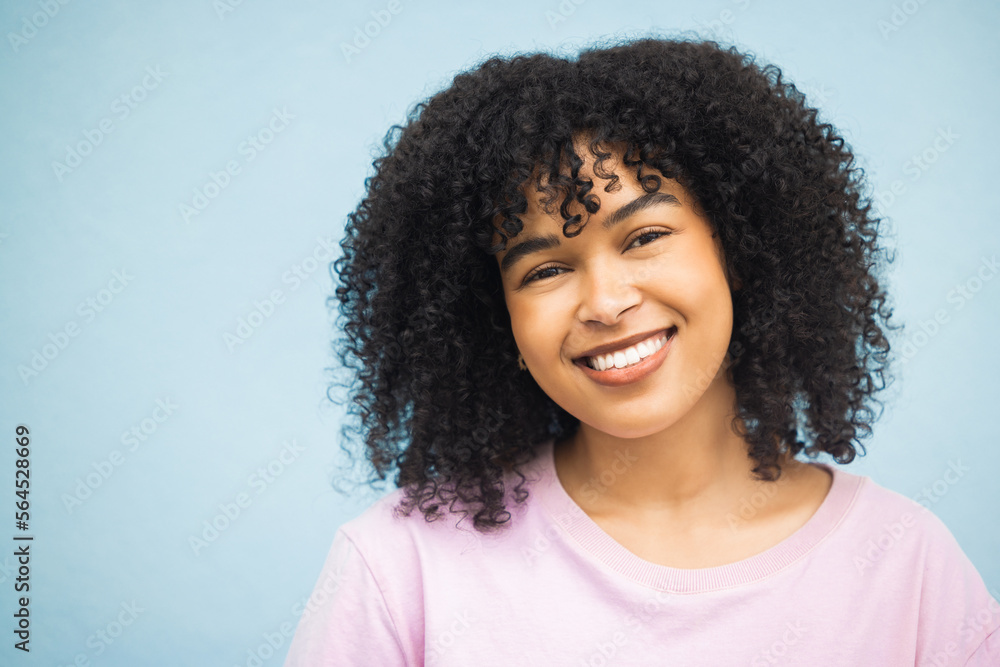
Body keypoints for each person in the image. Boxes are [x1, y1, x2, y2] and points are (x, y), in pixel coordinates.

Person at [283, 37, 1000, 665]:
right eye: (545, 270)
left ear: (740, 249)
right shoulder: (399, 569)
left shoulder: (906, 565)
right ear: (497, 320)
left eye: (645, 237)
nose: (605, 301)